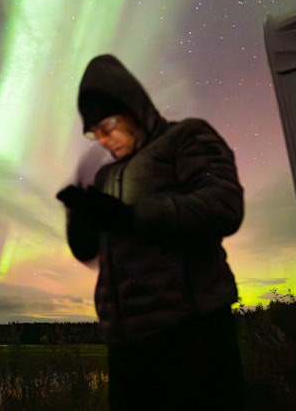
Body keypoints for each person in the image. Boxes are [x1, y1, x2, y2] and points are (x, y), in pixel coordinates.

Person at [57, 54, 245, 410]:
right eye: (94, 132)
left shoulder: (186, 137)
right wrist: (79, 215)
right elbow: (88, 250)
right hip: (126, 346)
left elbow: (223, 206)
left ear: (132, 107)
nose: (103, 139)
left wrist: (132, 216)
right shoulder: (105, 177)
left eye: (107, 125)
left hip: (192, 335)